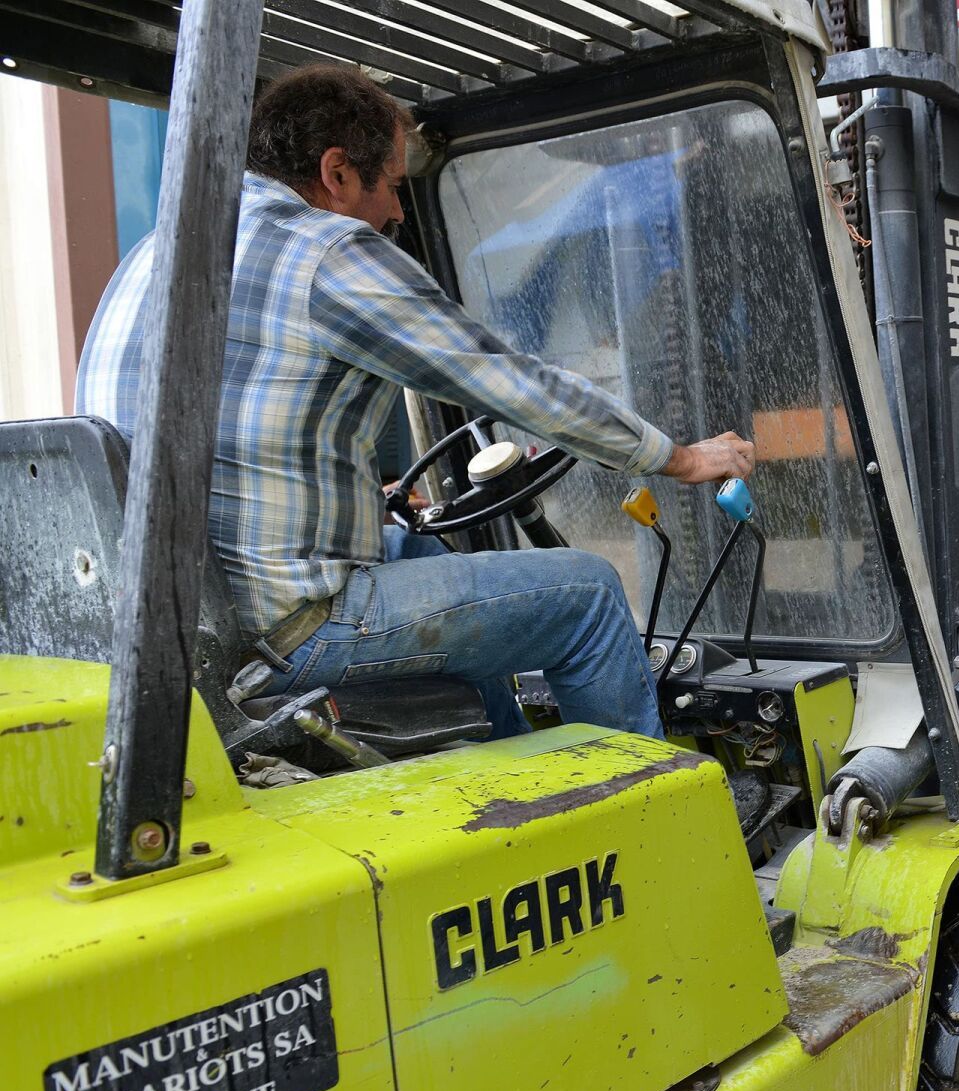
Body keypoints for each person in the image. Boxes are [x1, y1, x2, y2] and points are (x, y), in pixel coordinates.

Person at [75, 65, 751, 741]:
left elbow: (234, 440)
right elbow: (508, 381)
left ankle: (506, 755)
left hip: (184, 628)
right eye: (394, 185)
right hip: (284, 631)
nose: (399, 211)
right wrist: (681, 457)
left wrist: (360, 498)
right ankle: (636, 826)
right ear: (338, 173)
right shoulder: (327, 251)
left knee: (419, 549)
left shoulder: (154, 254)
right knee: (590, 595)